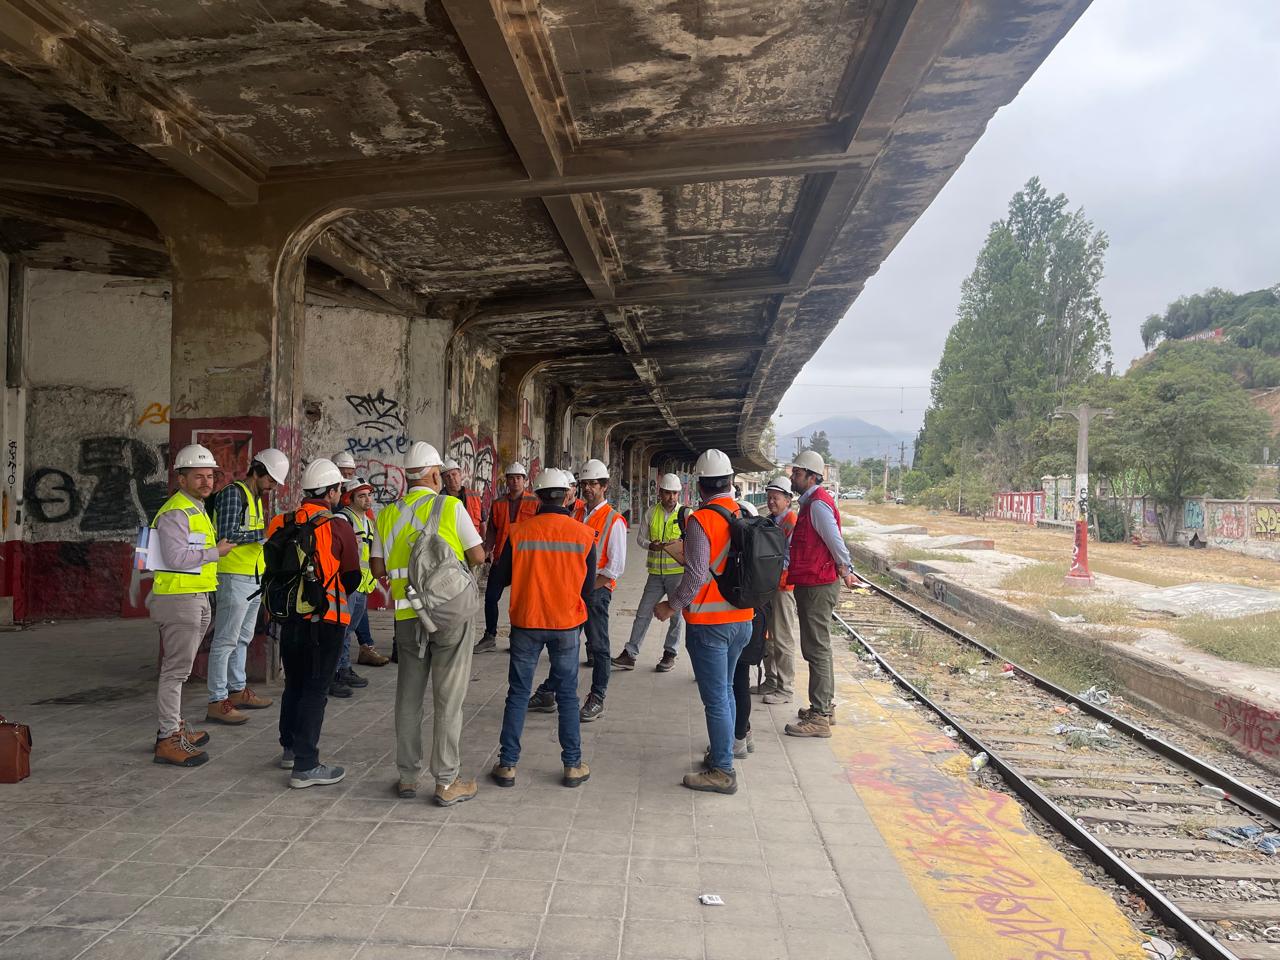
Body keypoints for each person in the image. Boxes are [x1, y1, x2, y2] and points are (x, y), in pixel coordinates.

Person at [370, 441, 486, 806]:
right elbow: (478, 555)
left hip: (407, 616)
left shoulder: (386, 514)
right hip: (449, 615)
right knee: (449, 698)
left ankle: (407, 777)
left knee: (408, 697)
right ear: (435, 474)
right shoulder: (450, 506)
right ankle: (447, 782)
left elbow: (377, 568)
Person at [654, 449, 754, 794]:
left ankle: (723, 770)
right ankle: (724, 750)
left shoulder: (700, 520)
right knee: (725, 690)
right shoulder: (744, 512)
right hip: (743, 619)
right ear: (729, 481)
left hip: (710, 623)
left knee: (715, 698)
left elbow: (696, 575)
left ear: (700, 485)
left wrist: (671, 605)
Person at [490, 469, 596, 790]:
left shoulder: (519, 533)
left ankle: (508, 765)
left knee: (519, 693)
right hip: (565, 624)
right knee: (566, 695)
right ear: (567, 496)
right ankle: (572, 765)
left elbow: (501, 576)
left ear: (536, 497)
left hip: (526, 621)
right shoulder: (584, 534)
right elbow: (588, 589)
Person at [268, 458, 362, 787]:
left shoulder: (281, 522)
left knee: (294, 682)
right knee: (316, 688)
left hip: (288, 617)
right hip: (326, 620)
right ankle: (306, 765)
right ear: (333, 492)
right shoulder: (338, 526)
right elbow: (352, 576)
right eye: (339, 489)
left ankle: (290, 750)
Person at [149, 444, 235, 767]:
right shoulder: (176, 512)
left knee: (180, 670)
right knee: (175, 671)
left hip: (195, 596)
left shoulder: (196, 507)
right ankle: (168, 737)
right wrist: (218, 552)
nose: (206, 482)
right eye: (198, 476)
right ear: (181, 479)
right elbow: (176, 558)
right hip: (179, 599)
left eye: (210, 476)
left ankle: (173, 726)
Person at [528, 458, 624, 722]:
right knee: (565, 646)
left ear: (604, 486)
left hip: (595, 593)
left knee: (599, 646)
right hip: (575, 591)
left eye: (593, 483)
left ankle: (597, 697)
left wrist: (585, 589)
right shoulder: (578, 514)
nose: (588, 488)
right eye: (584, 484)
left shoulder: (614, 520)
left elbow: (614, 569)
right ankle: (549, 692)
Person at [205, 448, 289, 726]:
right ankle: (218, 699)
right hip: (233, 577)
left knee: (242, 637)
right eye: (272, 480)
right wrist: (265, 535)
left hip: (252, 578)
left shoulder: (253, 497)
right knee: (225, 640)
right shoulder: (234, 494)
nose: (273, 486)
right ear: (258, 470)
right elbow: (226, 536)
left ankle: (237, 690)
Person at [785, 450, 858, 738]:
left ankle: (820, 716)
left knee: (817, 648)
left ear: (812, 477)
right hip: (812, 582)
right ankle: (824, 707)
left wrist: (846, 567)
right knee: (817, 647)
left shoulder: (817, 505)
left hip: (818, 584)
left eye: (798, 474)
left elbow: (834, 540)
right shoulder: (811, 504)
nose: (793, 477)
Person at [612, 472, 687, 673]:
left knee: (676, 615)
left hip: (677, 574)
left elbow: (693, 543)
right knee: (643, 613)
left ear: (678, 494)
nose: (671, 497)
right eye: (667, 493)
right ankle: (630, 653)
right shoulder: (650, 513)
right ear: (660, 493)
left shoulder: (685, 515)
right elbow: (640, 539)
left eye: (675, 493)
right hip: (655, 574)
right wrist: (650, 546)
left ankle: (670, 653)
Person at [330, 476, 386, 697]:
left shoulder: (367, 520)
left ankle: (343, 668)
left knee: (349, 630)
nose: (367, 499)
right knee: (341, 630)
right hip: (348, 584)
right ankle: (335, 672)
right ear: (349, 498)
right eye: (361, 496)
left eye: (369, 495)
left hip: (362, 584)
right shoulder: (343, 518)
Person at [474, 462, 538, 653]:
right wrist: (487, 550)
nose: (515, 481)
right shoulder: (498, 504)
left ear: (525, 481)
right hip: (502, 557)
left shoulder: (535, 503)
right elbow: (492, 530)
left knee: (521, 601)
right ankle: (490, 636)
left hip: (524, 559)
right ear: (507, 482)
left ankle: (518, 638)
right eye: (511, 478)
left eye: (519, 478)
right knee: (491, 597)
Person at [759, 476, 799, 705]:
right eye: (769, 497)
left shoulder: (791, 522)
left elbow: (788, 558)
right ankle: (771, 681)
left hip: (784, 587)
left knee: (782, 638)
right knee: (768, 636)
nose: (771, 501)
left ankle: (785, 689)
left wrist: (767, 570)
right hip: (769, 586)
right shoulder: (771, 520)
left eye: (776, 498)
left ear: (787, 499)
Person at [442, 457, 485, 538]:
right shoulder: (439, 500)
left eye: (454, 474)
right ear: (443, 479)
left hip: (472, 544)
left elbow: (483, 523)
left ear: (460, 475)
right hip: (451, 546)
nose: (451, 478)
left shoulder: (475, 496)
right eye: (447, 476)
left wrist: (481, 544)